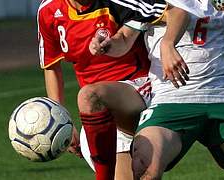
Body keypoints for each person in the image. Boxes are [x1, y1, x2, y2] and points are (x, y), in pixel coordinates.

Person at [89, 0, 224, 179]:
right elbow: (124, 38)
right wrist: (107, 45)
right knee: (144, 167)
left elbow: (183, 9)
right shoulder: (151, 2)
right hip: (171, 99)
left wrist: (168, 42)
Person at [36, 0, 159, 179]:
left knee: (88, 95)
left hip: (138, 89)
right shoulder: (48, 10)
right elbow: (52, 67)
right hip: (98, 108)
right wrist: (61, 121)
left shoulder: (118, 3)